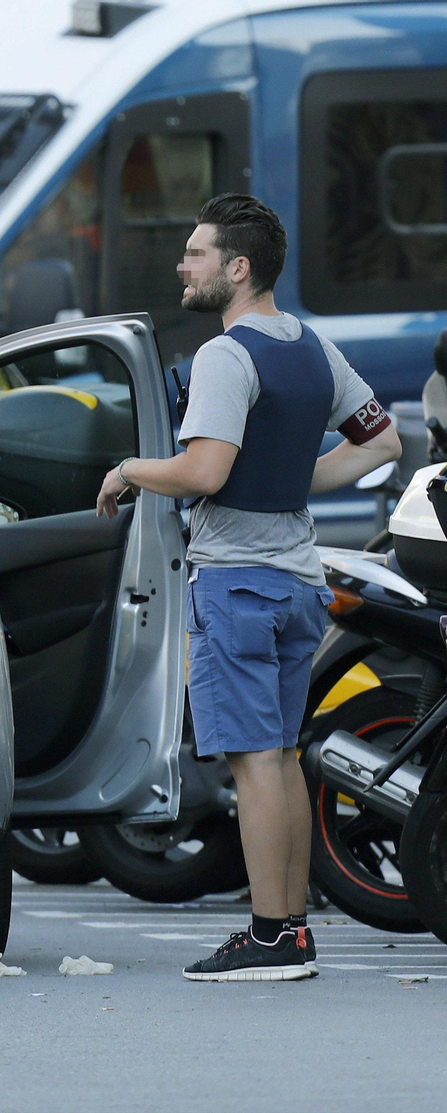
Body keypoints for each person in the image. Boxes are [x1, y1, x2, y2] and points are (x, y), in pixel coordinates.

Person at [95, 193, 401, 982]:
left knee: (254, 761)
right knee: (282, 757)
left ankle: (270, 935)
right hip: (299, 582)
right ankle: (291, 927)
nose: (182, 264)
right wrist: (297, 481)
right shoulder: (309, 345)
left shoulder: (226, 357)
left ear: (237, 268)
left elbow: (204, 471)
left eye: (196, 253)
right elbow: (383, 439)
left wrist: (129, 470)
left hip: (236, 584)